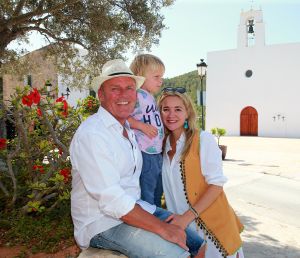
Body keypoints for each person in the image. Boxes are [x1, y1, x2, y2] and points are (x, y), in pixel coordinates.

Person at [69, 59, 205, 257]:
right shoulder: (93, 134)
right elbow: (112, 200)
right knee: (178, 252)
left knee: (197, 244)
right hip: (101, 223)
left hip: (136, 208)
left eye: (129, 88)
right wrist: (163, 228)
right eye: (115, 88)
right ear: (101, 95)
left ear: (136, 93)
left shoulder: (127, 130)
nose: (124, 95)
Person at [158, 87, 244, 258]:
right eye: (165, 109)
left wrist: (185, 218)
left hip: (214, 228)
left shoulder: (203, 139)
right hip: (182, 230)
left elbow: (216, 185)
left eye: (178, 109)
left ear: (187, 112)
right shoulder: (162, 143)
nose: (171, 114)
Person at [128, 54, 165, 206]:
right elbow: (123, 117)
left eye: (161, 77)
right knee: (147, 192)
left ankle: (155, 217)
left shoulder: (148, 96)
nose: (160, 80)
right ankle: (149, 220)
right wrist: (141, 126)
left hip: (156, 152)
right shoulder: (136, 95)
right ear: (141, 76)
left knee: (157, 190)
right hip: (145, 152)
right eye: (156, 76)